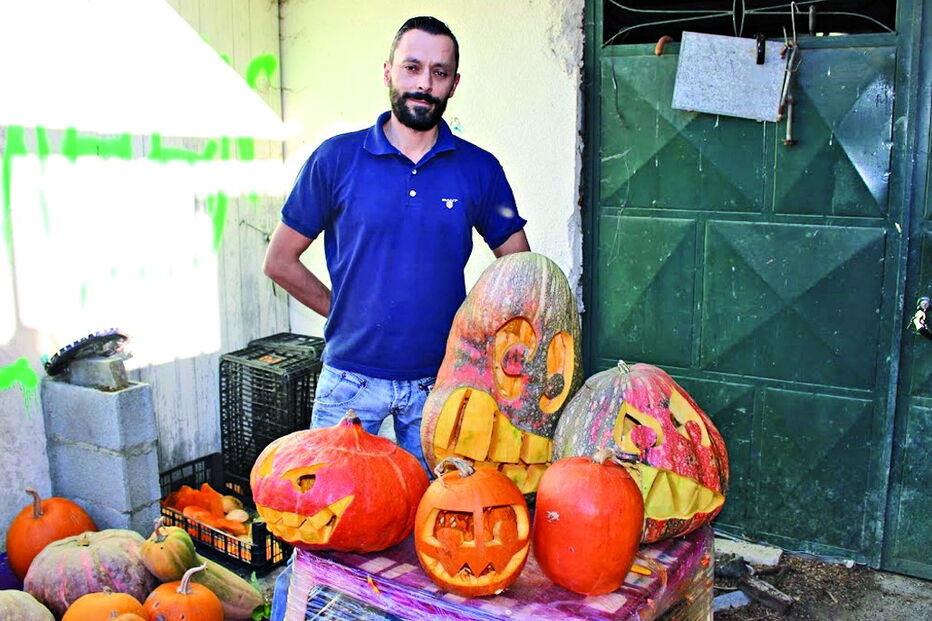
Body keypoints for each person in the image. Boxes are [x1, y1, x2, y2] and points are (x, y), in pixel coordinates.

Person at [262, 15, 529, 619]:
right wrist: (342, 311)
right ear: (388, 72)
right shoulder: (336, 159)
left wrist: (477, 346)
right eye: (412, 67)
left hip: (439, 393)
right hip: (347, 388)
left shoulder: (478, 169)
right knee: (321, 540)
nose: (423, 83)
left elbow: (519, 273)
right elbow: (280, 261)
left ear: (454, 84)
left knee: (428, 544)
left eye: (438, 72)